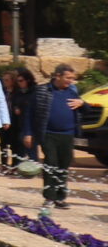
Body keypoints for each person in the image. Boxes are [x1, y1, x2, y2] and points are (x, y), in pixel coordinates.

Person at [36, 64, 85, 207]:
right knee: (51, 163)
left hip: (67, 135)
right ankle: (49, 197)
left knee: (63, 165)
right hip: (49, 134)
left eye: (72, 78)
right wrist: (28, 133)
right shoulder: (43, 90)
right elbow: (30, 113)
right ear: (57, 76)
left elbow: (86, 109)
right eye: (68, 78)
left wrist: (82, 103)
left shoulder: (72, 91)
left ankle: (60, 197)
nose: (71, 81)